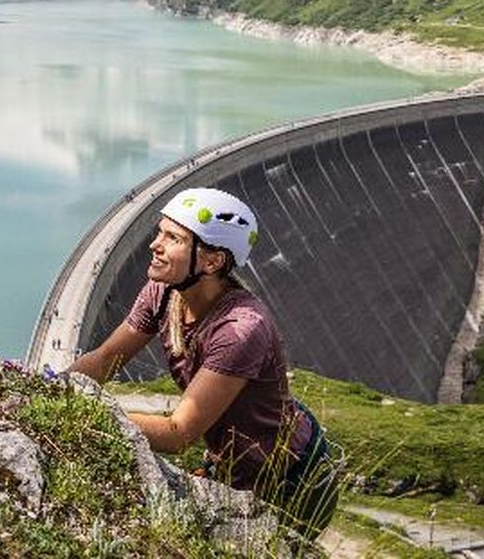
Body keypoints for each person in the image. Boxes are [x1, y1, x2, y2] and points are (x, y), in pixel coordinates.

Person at [68, 187, 338, 540]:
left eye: (172, 237)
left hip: (290, 480)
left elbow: (180, 434)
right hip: (232, 463)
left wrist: (86, 414)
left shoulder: (240, 329)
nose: (155, 245)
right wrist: (48, 388)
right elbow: (105, 359)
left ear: (212, 262)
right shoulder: (163, 291)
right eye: (159, 232)